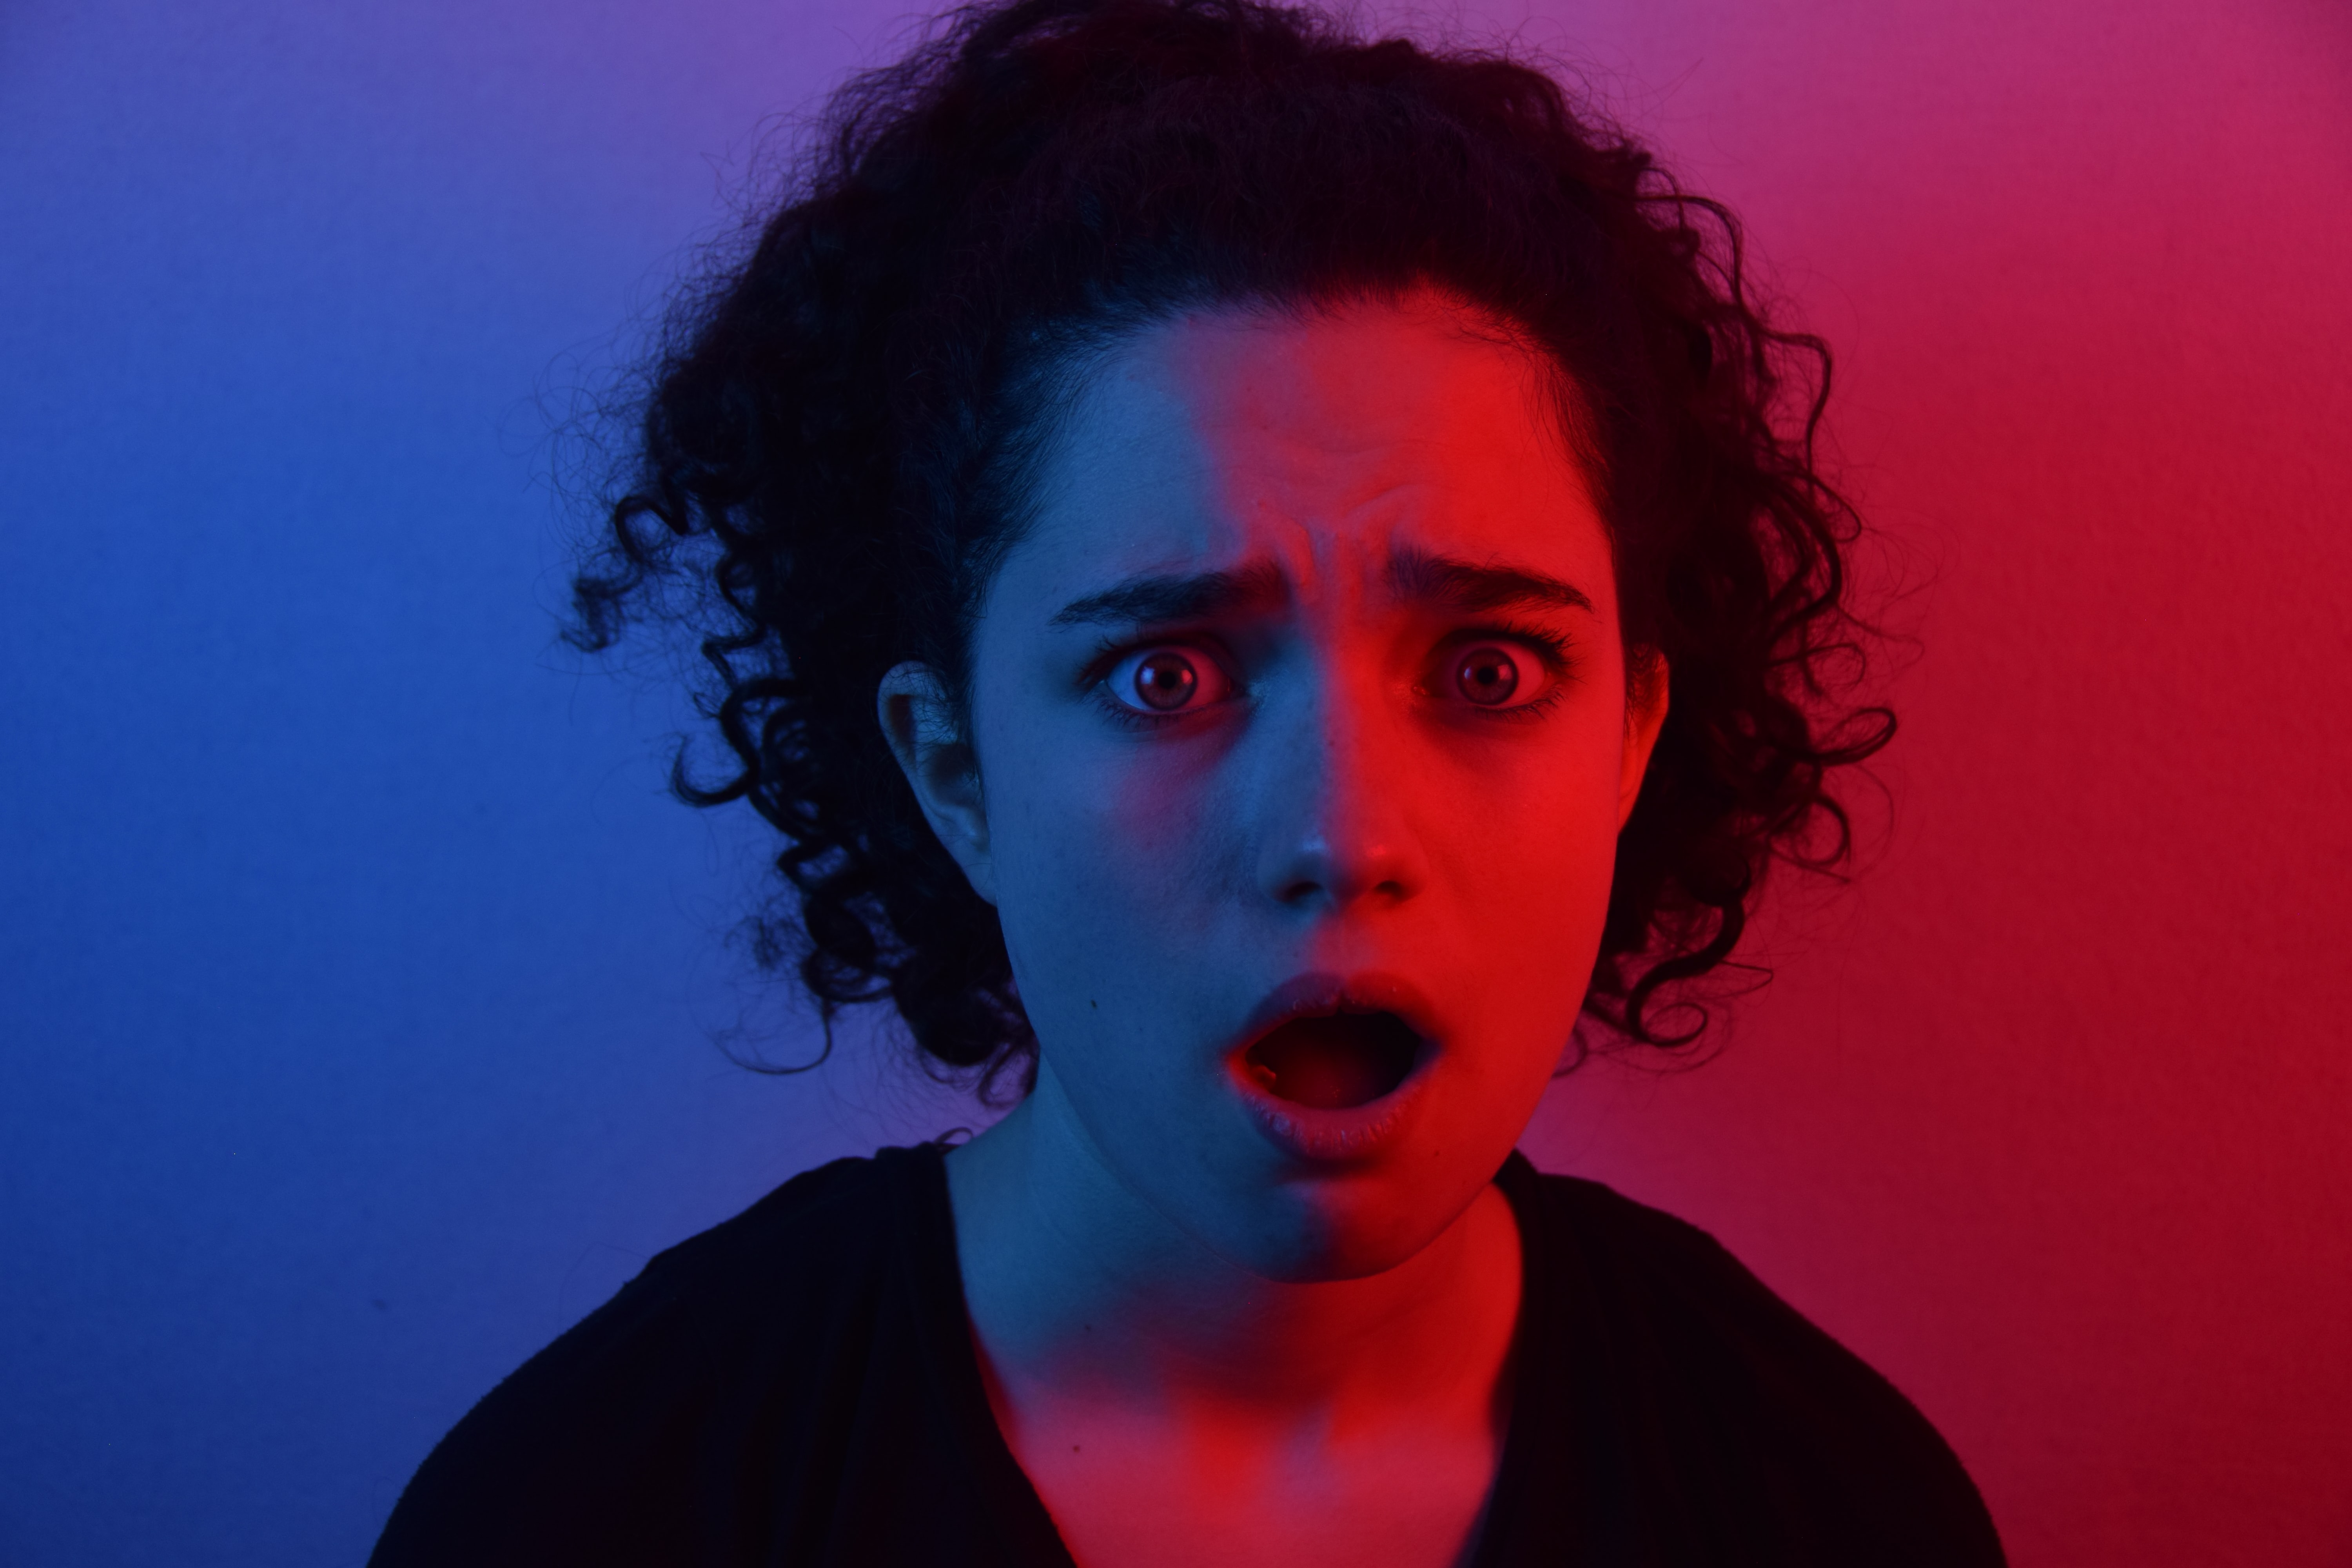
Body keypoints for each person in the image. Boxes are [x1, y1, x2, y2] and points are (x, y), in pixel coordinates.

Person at [370, 0, 2004, 1562]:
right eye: (1171, 676)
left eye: (1487, 669)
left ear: (1635, 737)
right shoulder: (605, 1503)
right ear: (956, 772)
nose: (1343, 835)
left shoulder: (1827, 1503)